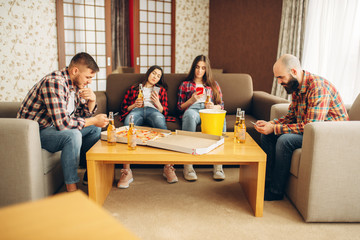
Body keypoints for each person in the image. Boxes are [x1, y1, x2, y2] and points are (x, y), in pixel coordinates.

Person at [254, 54, 349, 201]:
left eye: (281, 77)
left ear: (294, 71)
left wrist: (275, 128)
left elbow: (310, 126)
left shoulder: (318, 88)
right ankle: (267, 180)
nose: (279, 82)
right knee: (267, 134)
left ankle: (276, 190)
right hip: (312, 130)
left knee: (285, 141)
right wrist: (272, 124)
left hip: (329, 136)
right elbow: (291, 116)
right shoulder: (297, 87)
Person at [17, 52, 109, 192]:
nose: (90, 81)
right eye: (88, 77)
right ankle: (71, 188)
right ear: (75, 71)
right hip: (34, 132)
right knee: (73, 135)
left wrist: (92, 101)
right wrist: (94, 120)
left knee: (94, 129)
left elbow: (80, 116)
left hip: (52, 127)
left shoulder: (74, 85)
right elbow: (63, 124)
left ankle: (88, 174)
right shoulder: (54, 83)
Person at [118, 65, 177, 188]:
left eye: (158, 76)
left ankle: (168, 167)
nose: (155, 77)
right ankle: (127, 171)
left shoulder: (161, 90)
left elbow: (164, 111)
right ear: (148, 73)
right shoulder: (134, 88)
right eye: (154, 73)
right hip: (137, 111)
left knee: (161, 124)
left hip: (154, 111)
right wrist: (134, 104)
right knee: (129, 123)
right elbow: (124, 108)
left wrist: (158, 103)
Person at [177, 55, 226, 181]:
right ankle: (188, 166)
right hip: (192, 109)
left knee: (221, 118)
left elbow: (221, 106)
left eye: (203, 68)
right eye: (197, 67)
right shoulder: (185, 84)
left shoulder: (213, 84)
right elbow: (180, 107)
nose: (199, 71)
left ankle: (218, 166)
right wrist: (192, 100)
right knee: (189, 115)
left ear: (206, 70)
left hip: (209, 110)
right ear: (193, 68)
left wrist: (213, 107)